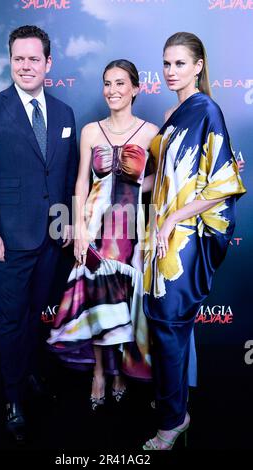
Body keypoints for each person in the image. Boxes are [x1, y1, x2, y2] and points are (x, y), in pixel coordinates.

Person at [0, 25, 78, 442]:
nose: (25, 66)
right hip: (8, 241)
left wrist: (65, 220)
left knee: (34, 316)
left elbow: (64, 176)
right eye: (19, 58)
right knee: (12, 321)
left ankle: (29, 374)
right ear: (10, 61)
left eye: (34, 59)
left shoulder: (65, 114)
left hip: (50, 238)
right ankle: (12, 397)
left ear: (49, 63)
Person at [142, 32, 246, 450]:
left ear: (199, 66)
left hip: (182, 238)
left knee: (169, 324)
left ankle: (173, 421)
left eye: (180, 63)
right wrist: (127, 177)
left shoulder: (207, 110)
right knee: (165, 326)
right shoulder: (175, 111)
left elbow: (222, 184)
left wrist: (172, 222)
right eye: (166, 63)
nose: (171, 71)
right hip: (160, 231)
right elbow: (166, 180)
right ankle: (174, 402)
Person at [47, 59, 159, 410]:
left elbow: (159, 183)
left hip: (130, 231)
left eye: (120, 84)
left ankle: (121, 371)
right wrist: (79, 226)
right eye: (107, 83)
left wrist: (137, 183)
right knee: (98, 302)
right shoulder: (91, 131)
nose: (112, 90)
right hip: (96, 227)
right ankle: (98, 372)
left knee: (124, 302)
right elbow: (82, 179)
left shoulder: (151, 133)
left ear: (136, 89)